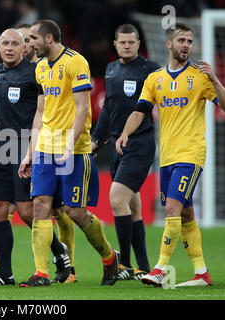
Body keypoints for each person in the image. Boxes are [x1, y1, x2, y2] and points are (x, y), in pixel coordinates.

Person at [116, 23, 225, 287]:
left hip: (190, 154)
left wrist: (214, 78)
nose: (186, 45)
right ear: (169, 44)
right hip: (167, 157)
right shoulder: (155, 79)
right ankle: (201, 273)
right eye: (181, 40)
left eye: (190, 41)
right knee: (185, 215)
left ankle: (159, 268)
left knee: (171, 208)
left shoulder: (200, 77)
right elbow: (140, 111)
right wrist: (125, 133)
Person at [0, 28, 72, 286]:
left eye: (15, 44)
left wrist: (36, 146)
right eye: (5, 43)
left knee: (26, 211)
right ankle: (6, 275)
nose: (9, 48)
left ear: (24, 48)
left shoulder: (35, 74)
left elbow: (46, 108)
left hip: (25, 147)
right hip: (0, 147)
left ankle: (58, 251)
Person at [18, 19, 119, 287]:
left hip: (74, 150)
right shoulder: (40, 67)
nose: (28, 44)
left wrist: (70, 145)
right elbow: (40, 112)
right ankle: (41, 273)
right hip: (45, 148)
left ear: (49, 38)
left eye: (32, 38)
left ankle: (109, 258)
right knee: (40, 205)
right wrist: (30, 151)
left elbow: (83, 108)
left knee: (75, 213)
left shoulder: (76, 62)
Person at [92, 24, 160, 281]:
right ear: (116, 44)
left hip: (140, 143)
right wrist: (97, 139)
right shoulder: (111, 69)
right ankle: (142, 265)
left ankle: (125, 266)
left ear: (138, 43)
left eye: (131, 42)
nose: (127, 46)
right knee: (133, 205)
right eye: (123, 42)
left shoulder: (151, 69)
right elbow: (109, 107)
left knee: (117, 199)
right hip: (115, 144)